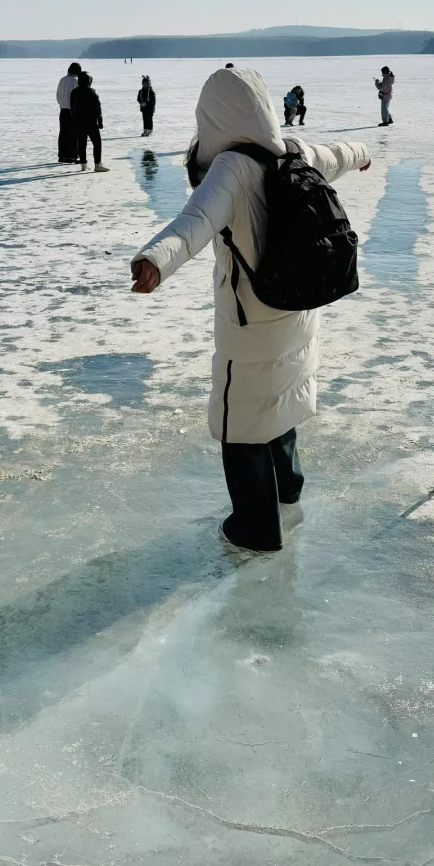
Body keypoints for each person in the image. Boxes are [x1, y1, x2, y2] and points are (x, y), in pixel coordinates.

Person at [130, 67, 370, 553]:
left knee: (239, 422)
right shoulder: (296, 151)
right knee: (280, 399)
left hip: (252, 318)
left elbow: (194, 221)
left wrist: (155, 260)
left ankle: (255, 528)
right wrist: (363, 155)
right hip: (299, 307)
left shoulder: (231, 169)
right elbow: (342, 153)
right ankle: (289, 491)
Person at [70, 71, 107, 172]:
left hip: (78, 121)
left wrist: (73, 121)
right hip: (91, 122)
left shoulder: (74, 92)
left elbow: (72, 108)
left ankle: (83, 164)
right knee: (97, 143)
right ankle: (97, 164)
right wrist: (100, 120)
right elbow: (97, 107)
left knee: (81, 143)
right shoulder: (92, 92)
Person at [56, 61, 82, 162]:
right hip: (74, 111)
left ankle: (62, 155)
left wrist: (62, 104)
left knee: (63, 133)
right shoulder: (77, 81)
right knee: (74, 133)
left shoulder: (62, 80)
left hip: (63, 110)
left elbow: (58, 95)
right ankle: (73, 155)